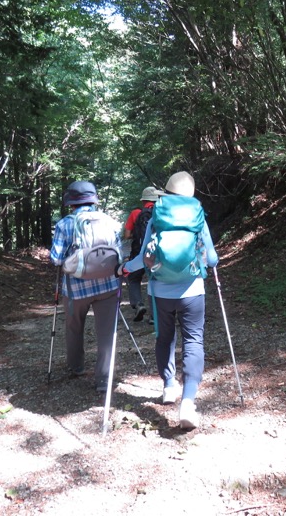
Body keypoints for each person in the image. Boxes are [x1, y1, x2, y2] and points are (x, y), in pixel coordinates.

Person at [118, 171, 218, 430]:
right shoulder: (197, 214)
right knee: (194, 340)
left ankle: (168, 387)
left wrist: (125, 269)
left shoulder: (157, 214)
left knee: (165, 338)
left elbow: (143, 256)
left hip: (160, 291)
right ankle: (188, 402)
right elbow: (213, 258)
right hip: (193, 290)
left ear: (168, 192)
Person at [50, 180, 122, 394]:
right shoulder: (110, 221)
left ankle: (76, 367)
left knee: (74, 328)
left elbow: (56, 259)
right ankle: (104, 379)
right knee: (107, 333)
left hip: (76, 290)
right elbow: (119, 253)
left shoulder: (65, 225)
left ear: (71, 202)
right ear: (93, 200)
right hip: (108, 286)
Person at [122, 186, 165, 323]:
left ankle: (138, 304)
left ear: (143, 200)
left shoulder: (136, 213)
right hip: (158, 252)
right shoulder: (163, 211)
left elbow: (127, 235)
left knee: (134, 279)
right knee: (155, 281)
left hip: (139, 252)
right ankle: (155, 316)